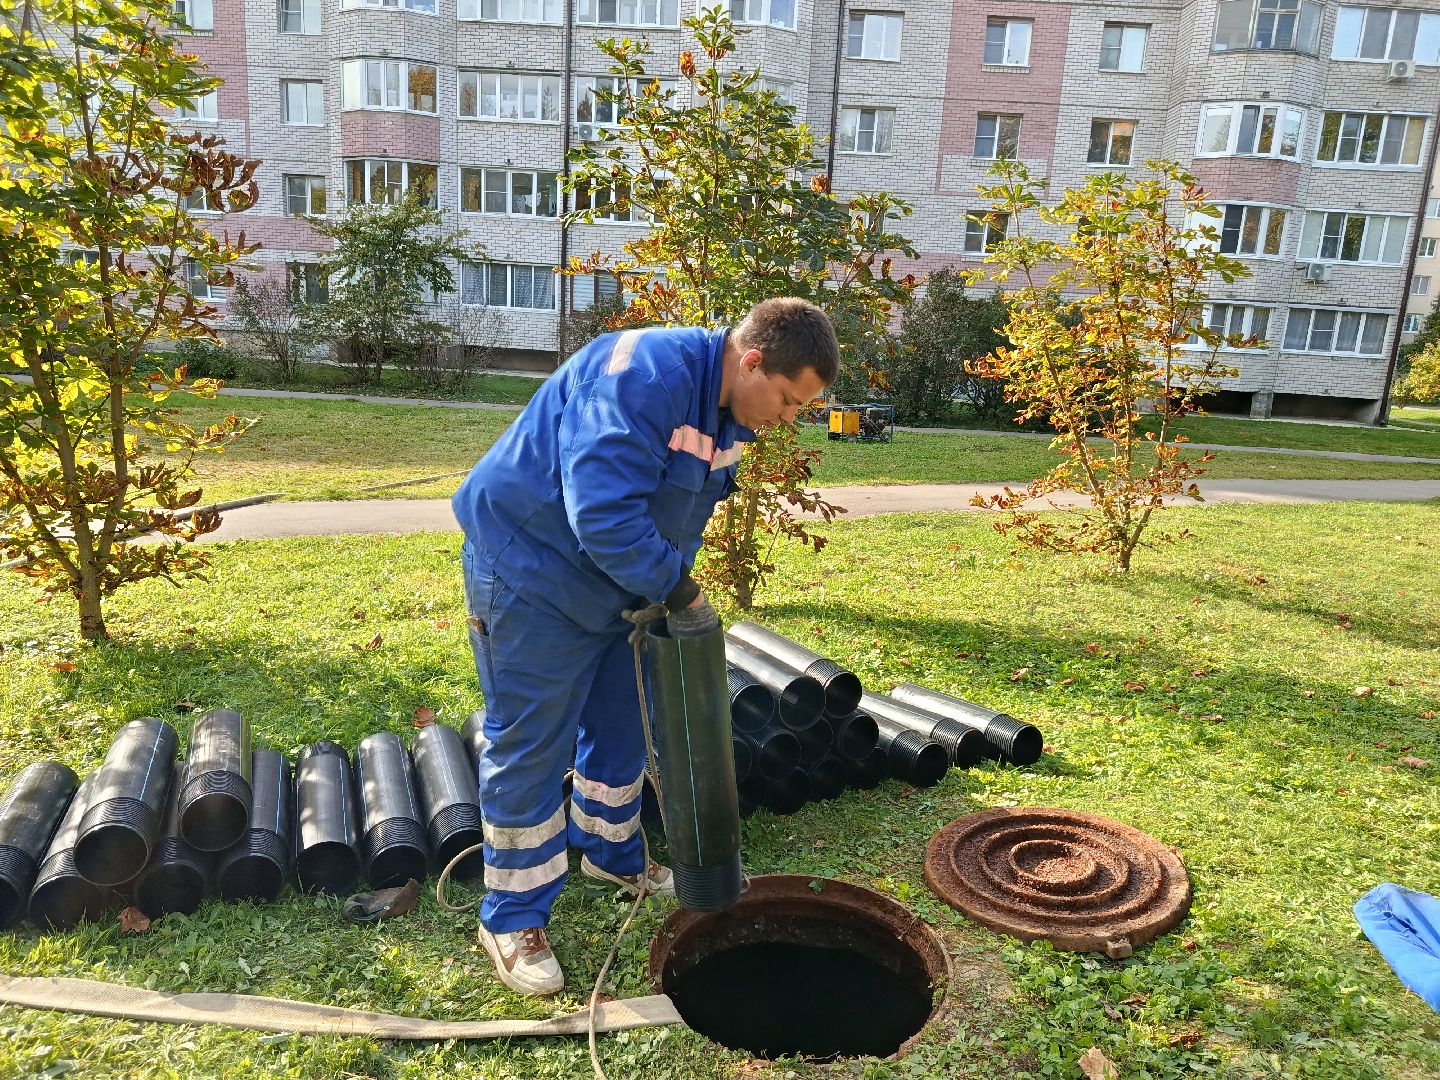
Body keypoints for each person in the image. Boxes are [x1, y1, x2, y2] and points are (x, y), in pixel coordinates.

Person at [452, 297, 840, 995]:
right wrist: (681, 590)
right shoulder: (640, 377)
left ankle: (607, 851)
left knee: (622, 723)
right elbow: (601, 513)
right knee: (532, 743)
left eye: (798, 409)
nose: (786, 418)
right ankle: (511, 917)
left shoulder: (731, 411)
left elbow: (681, 506)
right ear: (751, 360)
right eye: (785, 399)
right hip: (532, 572)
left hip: (617, 588)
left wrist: (660, 586)